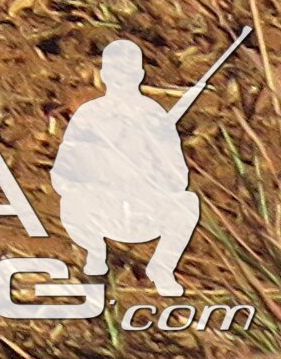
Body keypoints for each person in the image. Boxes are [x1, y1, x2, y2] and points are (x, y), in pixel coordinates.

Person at [51, 42, 199, 295]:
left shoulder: (154, 115)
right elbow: (62, 170)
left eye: (128, 74)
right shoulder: (89, 115)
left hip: (144, 210)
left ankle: (162, 267)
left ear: (140, 76)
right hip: (102, 208)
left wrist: (151, 170)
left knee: (187, 203)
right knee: (72, 202)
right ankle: (95, 255)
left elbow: (178, 177)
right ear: (105, 76)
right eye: (116, 73)